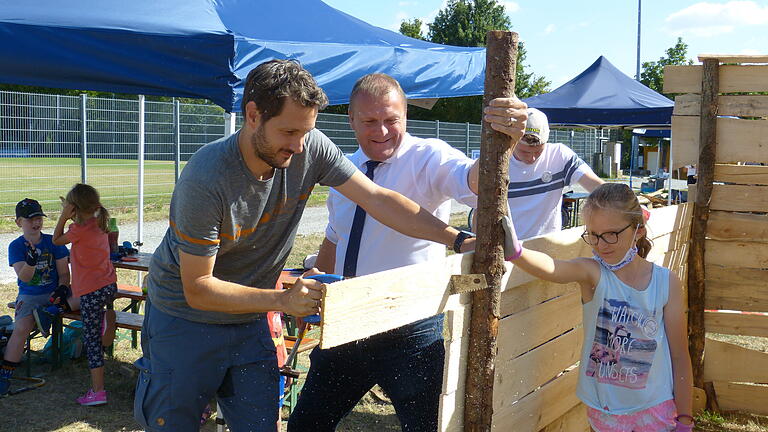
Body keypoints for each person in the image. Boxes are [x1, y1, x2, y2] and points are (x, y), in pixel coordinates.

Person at [133, 59, 478, 432]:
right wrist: (282, 300)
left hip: (249, 319)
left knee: (262, 425)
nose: (300, 147)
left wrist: (457, 239)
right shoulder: (206, 178)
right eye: (289, 132)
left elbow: (378, 199)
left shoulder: (308, 145)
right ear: (253, 115)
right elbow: (198, 289)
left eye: (307, 132)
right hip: (184, 320)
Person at [287, 74, 527, 431]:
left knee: (425, 427)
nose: (381, 131)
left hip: (409, 330)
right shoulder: (343, 170)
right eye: (369, 121)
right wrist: (311, 284)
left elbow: (475, 179)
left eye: (391, 120)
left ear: (405, 118)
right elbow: (334, 241)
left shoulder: (429, 157)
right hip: (348, 321)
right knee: (306, 425)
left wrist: (505, 141)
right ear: (350, 120)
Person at [500, 182, 694, 432]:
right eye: (593, 235)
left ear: (638, 230)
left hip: (657, 408)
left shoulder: (666, 282)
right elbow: (553, 267)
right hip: (606, 412)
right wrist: (516, 252)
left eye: (611, 234)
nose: (601, 245)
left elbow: (679, 355)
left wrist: (685, 418)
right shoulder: (593, 273)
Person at [483, 100, 604, 239]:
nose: (532, 159)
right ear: (513, 140)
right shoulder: (499, 163)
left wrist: (624, 203)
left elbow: (596, 186)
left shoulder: (559, 155)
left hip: (548, 247)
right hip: (511, 249)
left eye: (538, 152)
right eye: (525, 152)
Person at [1, 198, 77, 397]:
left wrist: (62, 288)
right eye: (30, 219)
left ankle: (49, 312)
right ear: (19, 222)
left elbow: (63, 273)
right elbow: (24, 277)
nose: (36, 223)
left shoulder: (54, 242)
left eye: (39, 218)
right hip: (30, 295)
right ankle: (5, 374)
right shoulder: (16, 246)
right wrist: (32, 261)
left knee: (85, 295)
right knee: (21, 328)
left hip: (54, 294)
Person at [52, 184, 118, 406]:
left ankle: (98, 392)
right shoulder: (100, 222)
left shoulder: (77, 230)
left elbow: (56, 240)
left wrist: (63, 215)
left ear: (74, 208)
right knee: (90, 311)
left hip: (91, 291)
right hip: (109, 286)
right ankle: (103, 324)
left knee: (91, 342)